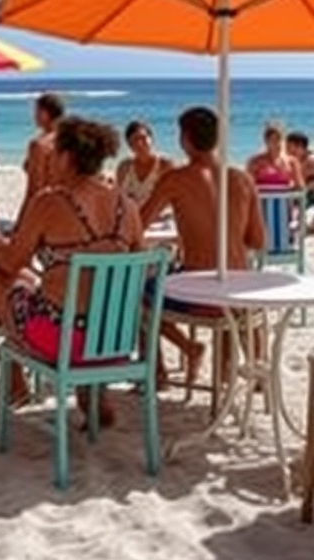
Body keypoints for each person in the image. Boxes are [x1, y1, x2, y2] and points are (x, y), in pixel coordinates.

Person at [0, 117, 140, 425]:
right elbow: (136, 272)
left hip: (62, 340)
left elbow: (9, 260)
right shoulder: (127, 207)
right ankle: (63, 390)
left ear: (67, 157)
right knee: (16, 280)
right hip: (113, 340)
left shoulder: (50, 202)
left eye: (54, 154)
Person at [140, 107, 265, 383]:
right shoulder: (244, 179)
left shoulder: (175, 179)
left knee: (139, 295)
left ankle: (169, 364)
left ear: (185, 139)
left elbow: (139, 224)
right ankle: (231, 373)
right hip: (241, 289)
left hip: (201, 296)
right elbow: (258, 240)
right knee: (227, 287)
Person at [19, 92, 66, 217]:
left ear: (45, 113)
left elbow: (35, 189)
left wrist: (22, 221)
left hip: (45, 210)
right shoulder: (70, 141)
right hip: (67, 208)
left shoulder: (39, 145)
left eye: (37, 111)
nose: (34, 116)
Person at [115, 120, 174, 207]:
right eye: (135, 139)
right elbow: (118, 198)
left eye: (143, 138)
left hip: (161, 218)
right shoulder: (124, 167)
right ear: (129, 144)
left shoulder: (165, 165)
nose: (139, 143)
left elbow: (173, 197)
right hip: (132, 217)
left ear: (151, 139)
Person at [246, 121, 304, 189]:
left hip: (285, 198)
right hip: (262, 199)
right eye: (274, 140)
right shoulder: (255, 162)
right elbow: (248, 188)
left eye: (280, 139)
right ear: (266, 142)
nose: (278, 143)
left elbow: (300, 188)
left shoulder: (292, 162)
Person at [286, 131, 314, 201]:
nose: (288, 152)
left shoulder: (311, 161)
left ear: (303, 149)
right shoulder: (290, 161)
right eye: (287, 148)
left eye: (292, 151)